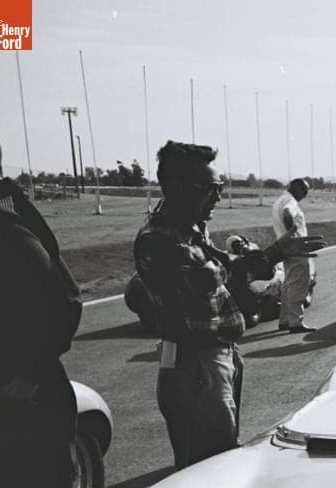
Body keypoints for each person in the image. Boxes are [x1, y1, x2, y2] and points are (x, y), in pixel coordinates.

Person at [134, 141, 323, 469]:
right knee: (212, 466)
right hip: (195, 364)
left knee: (221, 453)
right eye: (209, 188)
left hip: (217, 356)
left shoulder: (190, 229)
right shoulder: (159, 239)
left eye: (219, 187)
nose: (218, 196)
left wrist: (275, 253)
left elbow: (225, 267)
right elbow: (219, 274)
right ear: (177, 188)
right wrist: (270, 255)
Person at [0, 123, 84, 488]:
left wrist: (25, 376)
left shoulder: (2, 228)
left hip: (22, 408)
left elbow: (63, 302)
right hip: (8, 404)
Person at [272, 178, 316, 332]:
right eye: (304, 190)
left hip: (284, 247)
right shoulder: (290, 202)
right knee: (299, 284)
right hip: (296, 247)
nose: (305, 194)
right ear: (295, 188)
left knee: (289, 284)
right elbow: (287, 213)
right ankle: (296, 322)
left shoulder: (280, 200)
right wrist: (293, 236)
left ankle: (285, 320)